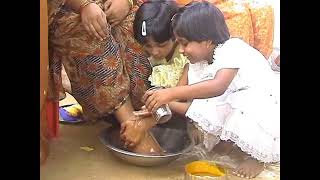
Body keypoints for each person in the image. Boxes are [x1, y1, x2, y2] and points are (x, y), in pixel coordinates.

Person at [142, 1, 279, 178]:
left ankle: (259, 157)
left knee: (239, 101)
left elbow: (217, 87)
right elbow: (182, 100)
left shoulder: (232, 49)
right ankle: (228, 141)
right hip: (233, 101)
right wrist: (154, 107)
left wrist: (168, 95)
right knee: (208, 105)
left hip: (265, 106)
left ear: (207, 41)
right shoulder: (196, 63)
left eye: (184, 43)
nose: (181, 50)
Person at [48, 0, 162, 154]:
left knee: (139, 26)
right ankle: (130, 124)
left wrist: (127, 2)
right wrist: (84, 5)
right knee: (93, 35)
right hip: (64, 7)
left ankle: (144, 110)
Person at [133, 0, 189, 88]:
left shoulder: (186, 57)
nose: (154, 52)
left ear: (175, 35)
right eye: (148, 46)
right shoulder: (143, 57)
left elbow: (178, 94)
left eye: (161, 45)